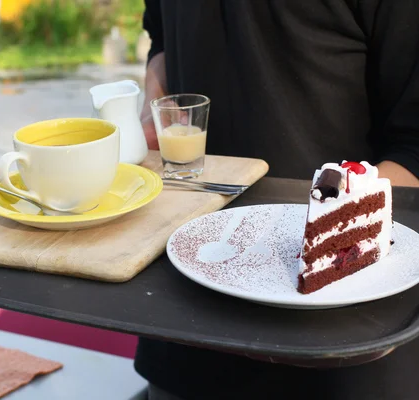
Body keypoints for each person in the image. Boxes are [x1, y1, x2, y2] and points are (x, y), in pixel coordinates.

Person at [136, 1, 419, 399]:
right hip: (181, 344)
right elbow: (163, 41)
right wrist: (158, 117)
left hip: (343, 355)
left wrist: (329, 228)